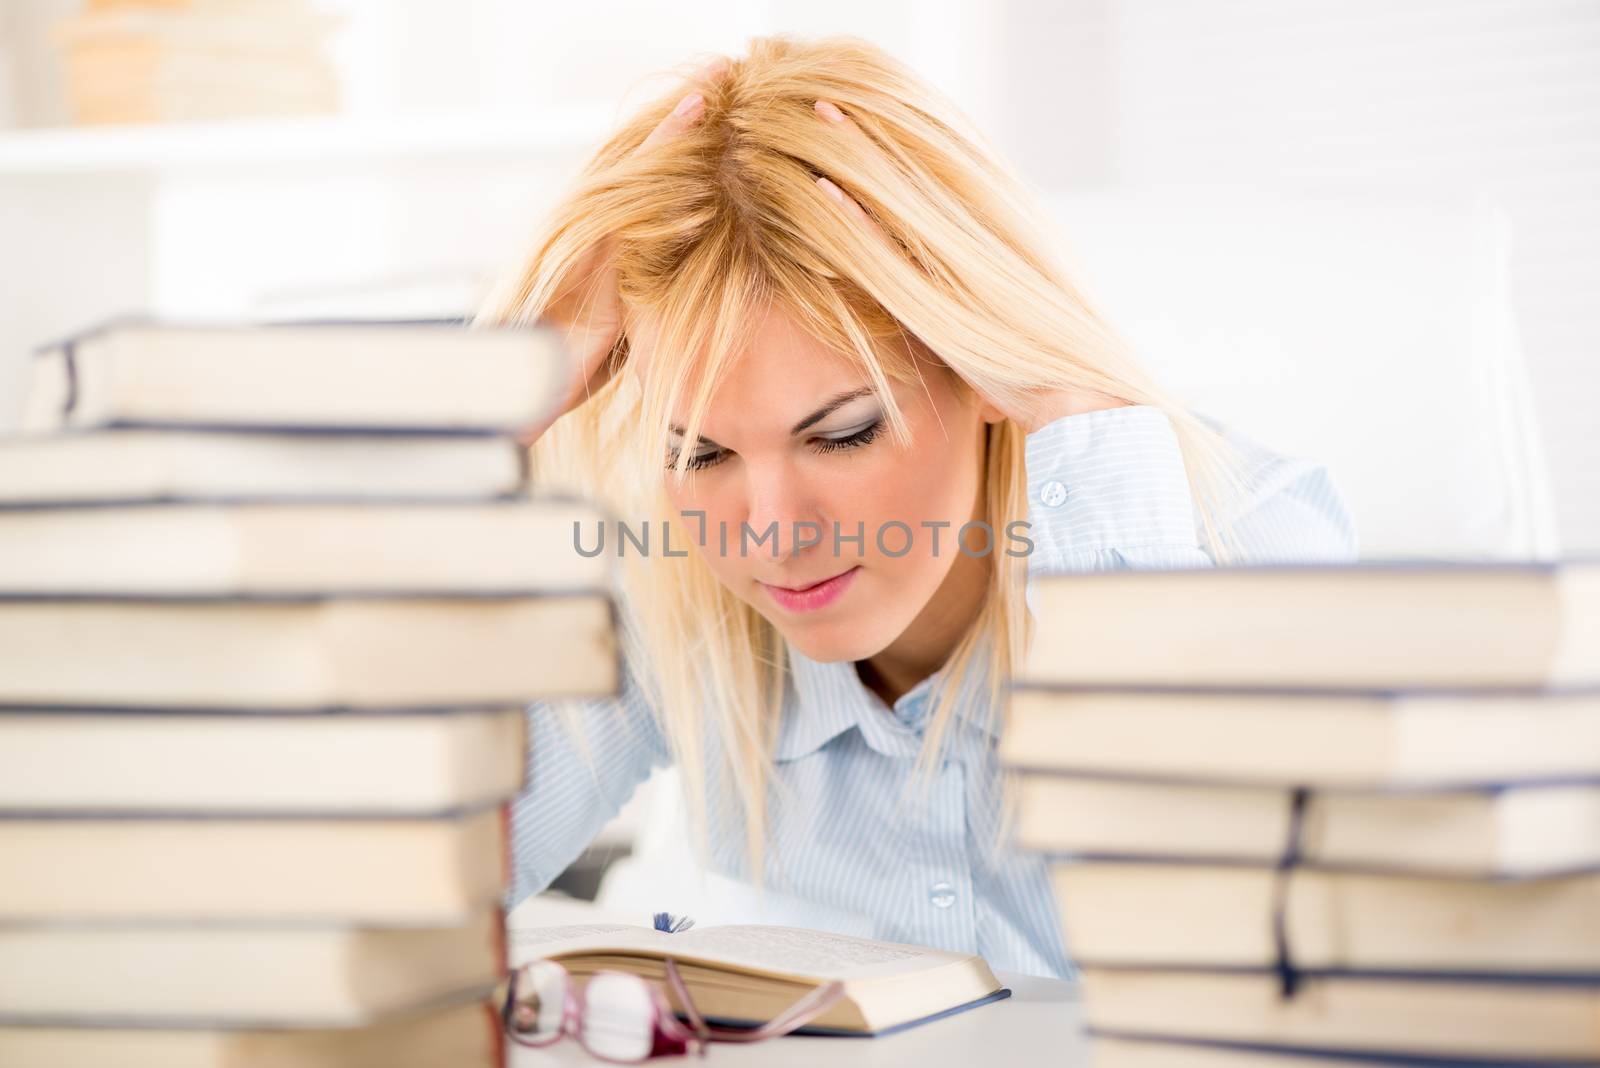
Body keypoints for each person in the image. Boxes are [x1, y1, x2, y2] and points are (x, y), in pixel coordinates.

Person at [474, 35, 1358, 980]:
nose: (771, 532)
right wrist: (461, 427)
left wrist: (1073, 399)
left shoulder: (1254, 543)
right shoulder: (661, 588)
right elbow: (360, 911)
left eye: (843, 432)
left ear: (986, 365)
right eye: (701, 451)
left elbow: (1269, 955)